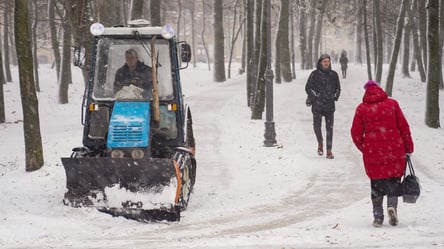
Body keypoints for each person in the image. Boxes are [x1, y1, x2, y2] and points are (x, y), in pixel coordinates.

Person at [350, 80, 414, 227]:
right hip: (395, 149)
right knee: (393, 181)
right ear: (379, 89)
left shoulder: (362, 108)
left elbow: (355, 133)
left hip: (373, 152)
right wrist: (408, 147)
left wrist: (365, 148)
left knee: (376, 185)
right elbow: (404, 127)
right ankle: (392, 206)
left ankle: (378, 216)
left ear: (366, 91)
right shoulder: (392, 104)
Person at [305, 54, 341, 159]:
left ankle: (329, 151)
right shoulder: (314, 74)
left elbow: (338, 88)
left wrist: (335, 96)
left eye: (328, 61)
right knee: (317, 127)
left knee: (329, 129)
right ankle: (320, 143)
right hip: (317, 105)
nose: (326, 63)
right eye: (324, 61)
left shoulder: (334, 75)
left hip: (329, 105)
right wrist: (315, 96)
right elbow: (308, 87)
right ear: (320, 62)